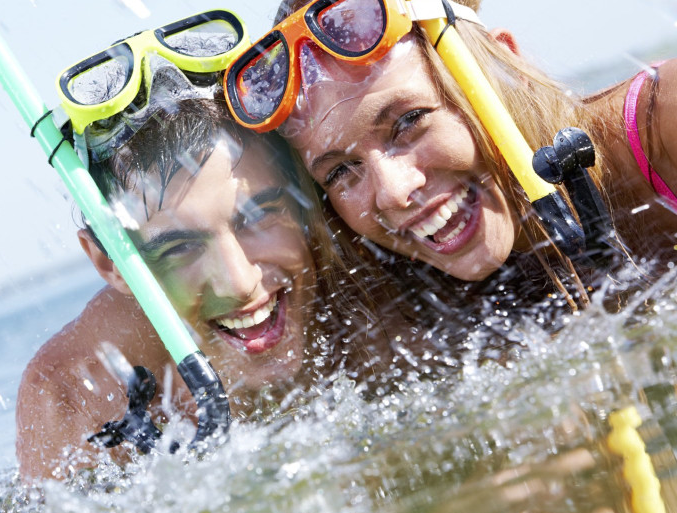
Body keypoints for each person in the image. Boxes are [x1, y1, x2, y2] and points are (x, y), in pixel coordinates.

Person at [15, 50, 423, 482]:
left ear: (304, 196)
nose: (240, 282)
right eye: (180, 247)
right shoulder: (77, 396)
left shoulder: (383, 275)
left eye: (258, 216)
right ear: (110, 263)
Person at [223, 0, 677, 314]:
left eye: (408, 122)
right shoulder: (412, 304)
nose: (395, 192)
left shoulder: (664, 128)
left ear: (501, 66)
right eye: (341, 170)